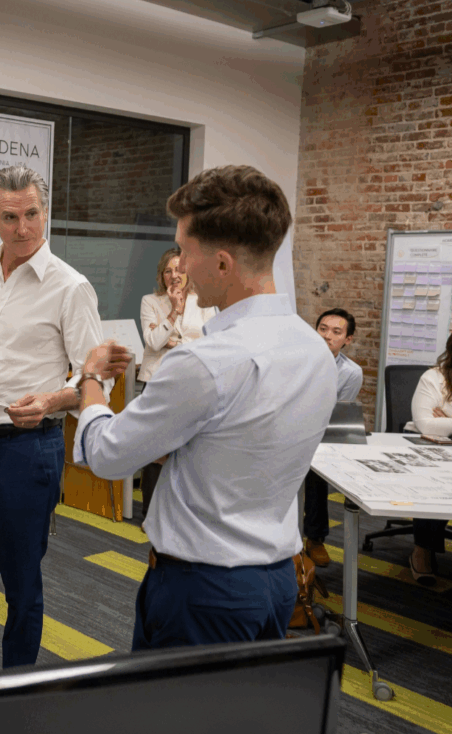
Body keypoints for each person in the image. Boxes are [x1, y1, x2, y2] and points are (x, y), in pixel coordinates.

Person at [75, 164, 337, 650]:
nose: (180, 268)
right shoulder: (314, 349)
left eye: (185, 251)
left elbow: (107, 455)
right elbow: (240, 441)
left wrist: (91, 379)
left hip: (203, 592)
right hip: (279, 583)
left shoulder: (204, 362)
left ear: (221, 264)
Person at [0, 165, 129, 672]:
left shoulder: (70, 287)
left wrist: (52, 401)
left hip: (28, 448)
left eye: (32, 214)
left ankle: (16, 686)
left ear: (45, 212)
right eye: (10, 217)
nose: (24, 228)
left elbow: (97, 379)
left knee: (20, 579)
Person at [137, 247, 216, 515]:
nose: (174, 275)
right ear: (162, 276)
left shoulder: (203, 302)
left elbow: (211, 342)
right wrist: (173, 311)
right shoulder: (150, 301)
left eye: (179, 270)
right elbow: (153, 341)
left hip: (191, 382)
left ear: (188, 272)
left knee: (190, 448)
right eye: (168, 271)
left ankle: (184, 512)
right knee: (155, 448)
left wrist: (174, 343)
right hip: (157, 381)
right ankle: (150, 513)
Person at [303, 307, 363, 567]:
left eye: (336, 332)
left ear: (347, 339)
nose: (327, 336)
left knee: (318, 468)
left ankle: (315, 538)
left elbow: (334, 415)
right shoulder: (296, 359)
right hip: (284, 429)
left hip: (319, 433)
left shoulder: (351, 372)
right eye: (322, 329)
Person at [405, 332, 452, 585]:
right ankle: (421, 550)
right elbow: (426, 424)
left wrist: (446, 419)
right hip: (428, 446)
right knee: (436, 481)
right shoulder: (433, 378)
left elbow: (438, 423)